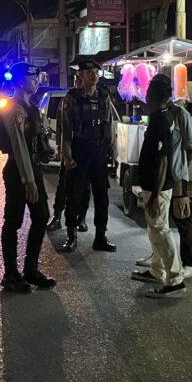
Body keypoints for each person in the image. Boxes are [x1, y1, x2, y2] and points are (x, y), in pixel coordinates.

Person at [0, 62, 57, 293]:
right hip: (18, 171)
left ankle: (30, 270)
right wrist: (28, 180)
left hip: (32, 168)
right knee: (13, 221)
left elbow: (33, 141)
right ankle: (11, 275)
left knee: (41, 217)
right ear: (21, 81)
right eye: (32, 78)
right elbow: (19, 147)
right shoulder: (14, 109)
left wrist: (46, 150)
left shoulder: (31, 107)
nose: (37, 81)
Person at [135, 78, 192, 279]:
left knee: (180, 218)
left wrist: (182, 173)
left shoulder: (179, 115)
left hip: (175, 175)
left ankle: (186, 264)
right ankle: (158, 264)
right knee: (158, 223)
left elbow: (190, 148)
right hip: (162, 177)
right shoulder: (158, 115)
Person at [130, 75, 186, 298]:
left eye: (148, 95)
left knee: (161, 230)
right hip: (154, 185)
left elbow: (162, 161)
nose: (146, 98)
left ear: (153, 97)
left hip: (158, 188)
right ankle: (156, 270)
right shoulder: (160, 117)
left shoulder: (160, 122)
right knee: (154, 229)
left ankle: (175, 279)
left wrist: (154, 195)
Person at [58, 59, 118, 253]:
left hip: (99, 151)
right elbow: (66, 130)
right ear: (80, 75)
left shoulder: (104, 96)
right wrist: (67, 156)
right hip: (80, 150)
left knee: (102, 197)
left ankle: (100, 236)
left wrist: (112, 152)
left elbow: (109, 125)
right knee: (74, 195)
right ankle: (71, 235)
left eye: (96, 72)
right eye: (89, 72)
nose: (94, 76)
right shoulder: (72, 98)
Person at [47, 72, 89, 234]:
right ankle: (57, 217)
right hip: (69, 149)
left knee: (85, 187)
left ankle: (82, 219)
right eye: (78, 80)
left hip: (85, 151)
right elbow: (61, 128)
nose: (80, 83)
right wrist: (61, 149)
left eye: (82, 80)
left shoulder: (92, 100)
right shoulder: (67, 100)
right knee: (63, 186)